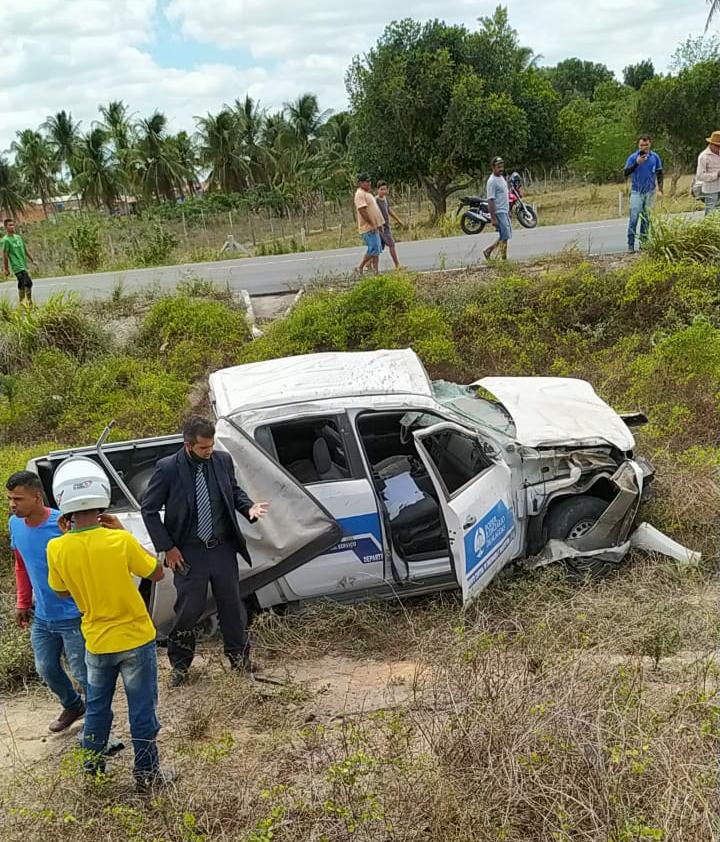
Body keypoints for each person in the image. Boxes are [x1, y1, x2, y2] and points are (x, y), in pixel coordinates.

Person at [46, 467, 167, 790]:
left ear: (63, 503)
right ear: (101, 496)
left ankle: (93, 769)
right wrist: (123, 531)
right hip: (135, 638)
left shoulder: (56, 548)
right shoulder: (119, 540)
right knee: (141, 709)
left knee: (98, 708)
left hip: (96, 642)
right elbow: (156, 572)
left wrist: (67, 542)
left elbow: (60, 591)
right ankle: (147, 774)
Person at [141, 416, 269, 686]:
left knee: (232, 606)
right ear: (188, 445)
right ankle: (180, 666)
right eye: (203, 448)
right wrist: (168, 548)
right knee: (189, 609)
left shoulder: (221, 461)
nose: (208, 452)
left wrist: (248, 508)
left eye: (211, 446)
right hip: (188, 553)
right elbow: (149, 510)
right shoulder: (168, 469)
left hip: (221, 549)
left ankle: (239, 659)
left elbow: (233, 492)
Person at [6, 471, 87, 733]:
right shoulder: (15, 524)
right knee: (45, 668)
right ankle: (73, 705)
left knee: (84, 673)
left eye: (18, 498)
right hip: (42, 614)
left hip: (73, 613)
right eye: (9, 499)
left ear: (37, 497)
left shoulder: (62, 525)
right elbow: (21, 565)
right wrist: (23, 601)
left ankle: (101, 725)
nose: (12, 504)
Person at [623, 135, 663, 253]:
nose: (644, 147)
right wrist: (636, 163)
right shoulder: (633, 157)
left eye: (646, 145)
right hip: (637, 191)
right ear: (638, 146)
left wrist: (661, 189)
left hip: (650, 191)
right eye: (641, 145)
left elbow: (659, 172)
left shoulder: (655, 157)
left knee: (646, 218)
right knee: (634, 218)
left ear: (650, 144)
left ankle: (643, 243)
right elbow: (626, 172)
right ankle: (631, 244)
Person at [354, 174, 385, 275]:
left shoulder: (367, 194)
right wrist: (372, 223)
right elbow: (363, 211)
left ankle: (376, 271)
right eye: (366, 182)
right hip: (368, 227)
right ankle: (361, 266)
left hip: (374, 226)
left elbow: (374, 210)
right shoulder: (359, 194)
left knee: (377, 250)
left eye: (369, 181)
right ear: (360, 183)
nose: (369, 183)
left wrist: (379, 224)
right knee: (374, 248)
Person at [2, 219, 37, 305]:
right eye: (10, 225)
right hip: (17, 266)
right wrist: (6, 269)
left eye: (13, 225)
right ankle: (29, 302)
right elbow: (5, 255)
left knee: (22, 284)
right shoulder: (5, 240)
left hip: (23, 264)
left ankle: (22, 303)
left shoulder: (18, 237)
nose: (12, 227)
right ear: (6, 227)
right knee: (28, 283)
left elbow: (25, 250)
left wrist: (32, 260)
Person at [483, 157, 512, 261]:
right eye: (498, 167)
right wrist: (493, 217)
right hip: (498, 211)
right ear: (493, 167)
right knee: (505, 236)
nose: (501, 169)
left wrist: (508, 210)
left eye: (502, 166)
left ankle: (489, 251)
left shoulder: (501, 178)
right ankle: (504, 259)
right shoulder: (492, 181)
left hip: (504, 210)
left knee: (505, 235)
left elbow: (505, 195)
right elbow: (490, 200)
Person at [375, 182, 405, 270]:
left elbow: (389, 210)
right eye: (382, 189)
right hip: (381, 227)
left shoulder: (385, 199)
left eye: (385, 189)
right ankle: (397, 265)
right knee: (391, 244)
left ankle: (366, 264)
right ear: (377, 190)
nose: (384, 191)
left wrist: (398, 220)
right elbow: (373, 213)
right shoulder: (375, 200)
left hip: (386, 226)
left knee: (378, 248)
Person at [695, 130, 720, 216]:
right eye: (718, 146)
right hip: (711, 189)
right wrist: (716, 174)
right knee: (710, 213)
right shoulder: (704, 156)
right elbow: (700, 175)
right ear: (711, 144)